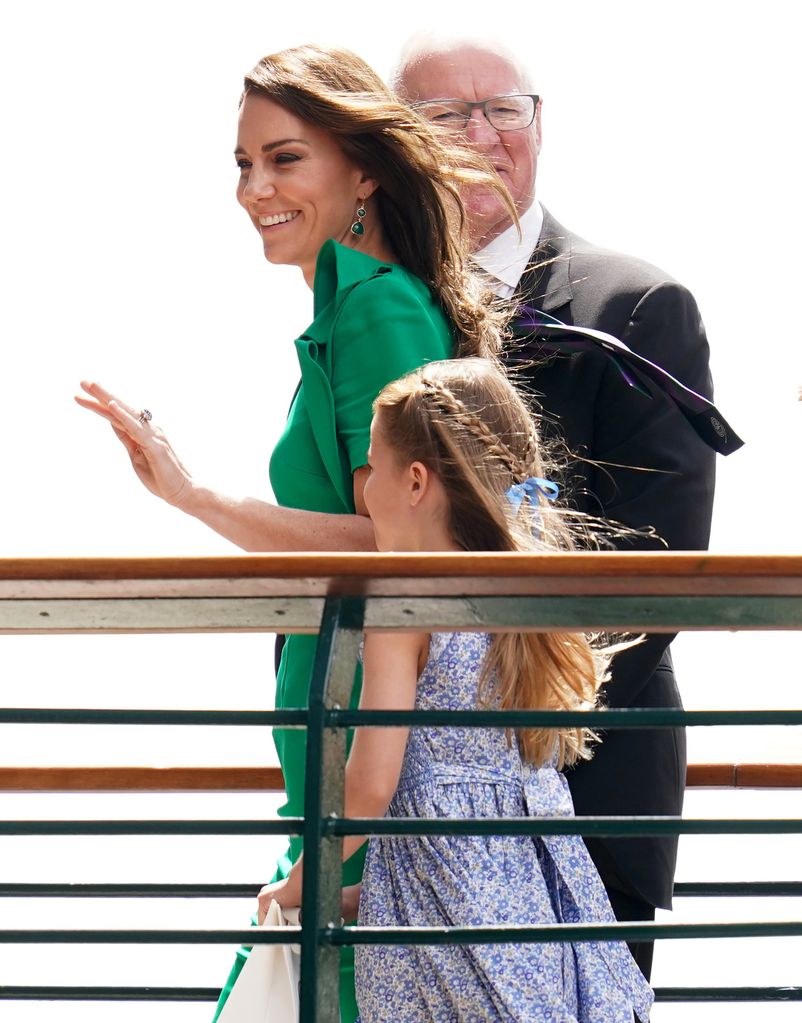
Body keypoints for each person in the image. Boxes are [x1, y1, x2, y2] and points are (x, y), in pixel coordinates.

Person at [75, 44, 509, 1023]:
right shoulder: (356, 306)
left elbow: (402, 541)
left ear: (363, 170)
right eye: (241, 163)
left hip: (365, 753)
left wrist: (193, 497)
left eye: (283, 159)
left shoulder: (373, 310)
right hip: (343, 748)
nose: (253, 189)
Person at [393, 33, 719, 980]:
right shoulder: (381, 306)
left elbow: (656, 563)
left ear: (541, 127)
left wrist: (502, 744)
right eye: (445, 115)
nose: (481, 135)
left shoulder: (638, 304)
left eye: (505, 109)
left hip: (586, 780)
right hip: (396, 789)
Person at [262, 357, 654, 1023]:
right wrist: (365, 893)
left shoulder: (405, 602)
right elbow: (470, 818)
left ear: (415, 481)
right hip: (536, 914)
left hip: (448, 935)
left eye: (372, 467)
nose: (364, 494)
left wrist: (304, 884)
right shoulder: (515, 599)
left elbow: (372, 785)